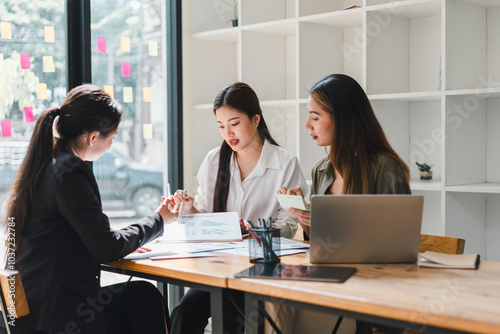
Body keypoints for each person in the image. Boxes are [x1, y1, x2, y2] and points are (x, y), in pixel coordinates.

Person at [3, 84, 177, 333]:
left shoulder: (43, 163)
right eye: (113, 136)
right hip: (60, 317)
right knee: (145, 298)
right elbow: (107, 247)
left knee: (141, 296)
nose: (113, 142)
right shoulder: (71, 171)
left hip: (30, 311)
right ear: (93, 137)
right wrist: (159, 219)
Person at [276, 74, 411, 334]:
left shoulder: (385, 169)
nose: (307, 125)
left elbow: (396, 248)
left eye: (315, 117)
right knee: (267, 298)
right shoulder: (321, 170)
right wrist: (305, 221)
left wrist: (333, 228)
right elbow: (320, 247)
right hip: (329, 282)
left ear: (343, 119)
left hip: (373, 290)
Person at [169, 82, 307, 334]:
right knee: (183, 312)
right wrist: (190, 211)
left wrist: (254, 230)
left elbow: (289, 226)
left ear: (255, 119)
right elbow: (204, 216)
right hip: (217, 265)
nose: (228, 133)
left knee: (229, 310)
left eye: (234, 123)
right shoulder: (214, 160)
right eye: (221, 126)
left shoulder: (284, 163)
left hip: (260, 266)